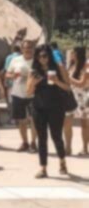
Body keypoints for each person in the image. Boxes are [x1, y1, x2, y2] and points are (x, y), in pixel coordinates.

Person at [26, 44, 71, 178]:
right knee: (42, 138)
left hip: (56, 107)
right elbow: (28, 92)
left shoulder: (58, 68)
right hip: (38, 107)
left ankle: (62, 161)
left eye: (45, 56)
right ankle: (43, 168)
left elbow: (68, 87)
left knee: (56, 136)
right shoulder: (34, 71)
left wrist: (56, 81)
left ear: (49, 56)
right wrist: (34, 82)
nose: (42, 59)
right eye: (39, 56)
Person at [6, 39, 37, 152]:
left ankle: (33, 143)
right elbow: (7, 74)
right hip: (18, 93)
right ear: (22, 49)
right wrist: (13, 75)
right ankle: (25, 142)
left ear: (33, 49)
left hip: (34, 94)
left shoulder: (37, 60)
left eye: (30, 47)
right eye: (25, 48)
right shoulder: (15, 60)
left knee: (34, 120)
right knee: (21, 120)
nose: (28, 50)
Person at [65, 46, 89, 156]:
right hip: (71, 97)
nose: (71, 55)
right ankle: (68, 147)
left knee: (84, 124)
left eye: (73, 53)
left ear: (78, 54)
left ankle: (85, 148)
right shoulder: (71, 65)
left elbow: (82, 84)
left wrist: (68, 78)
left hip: (83, 98)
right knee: (67, 122)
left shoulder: (86, 67)